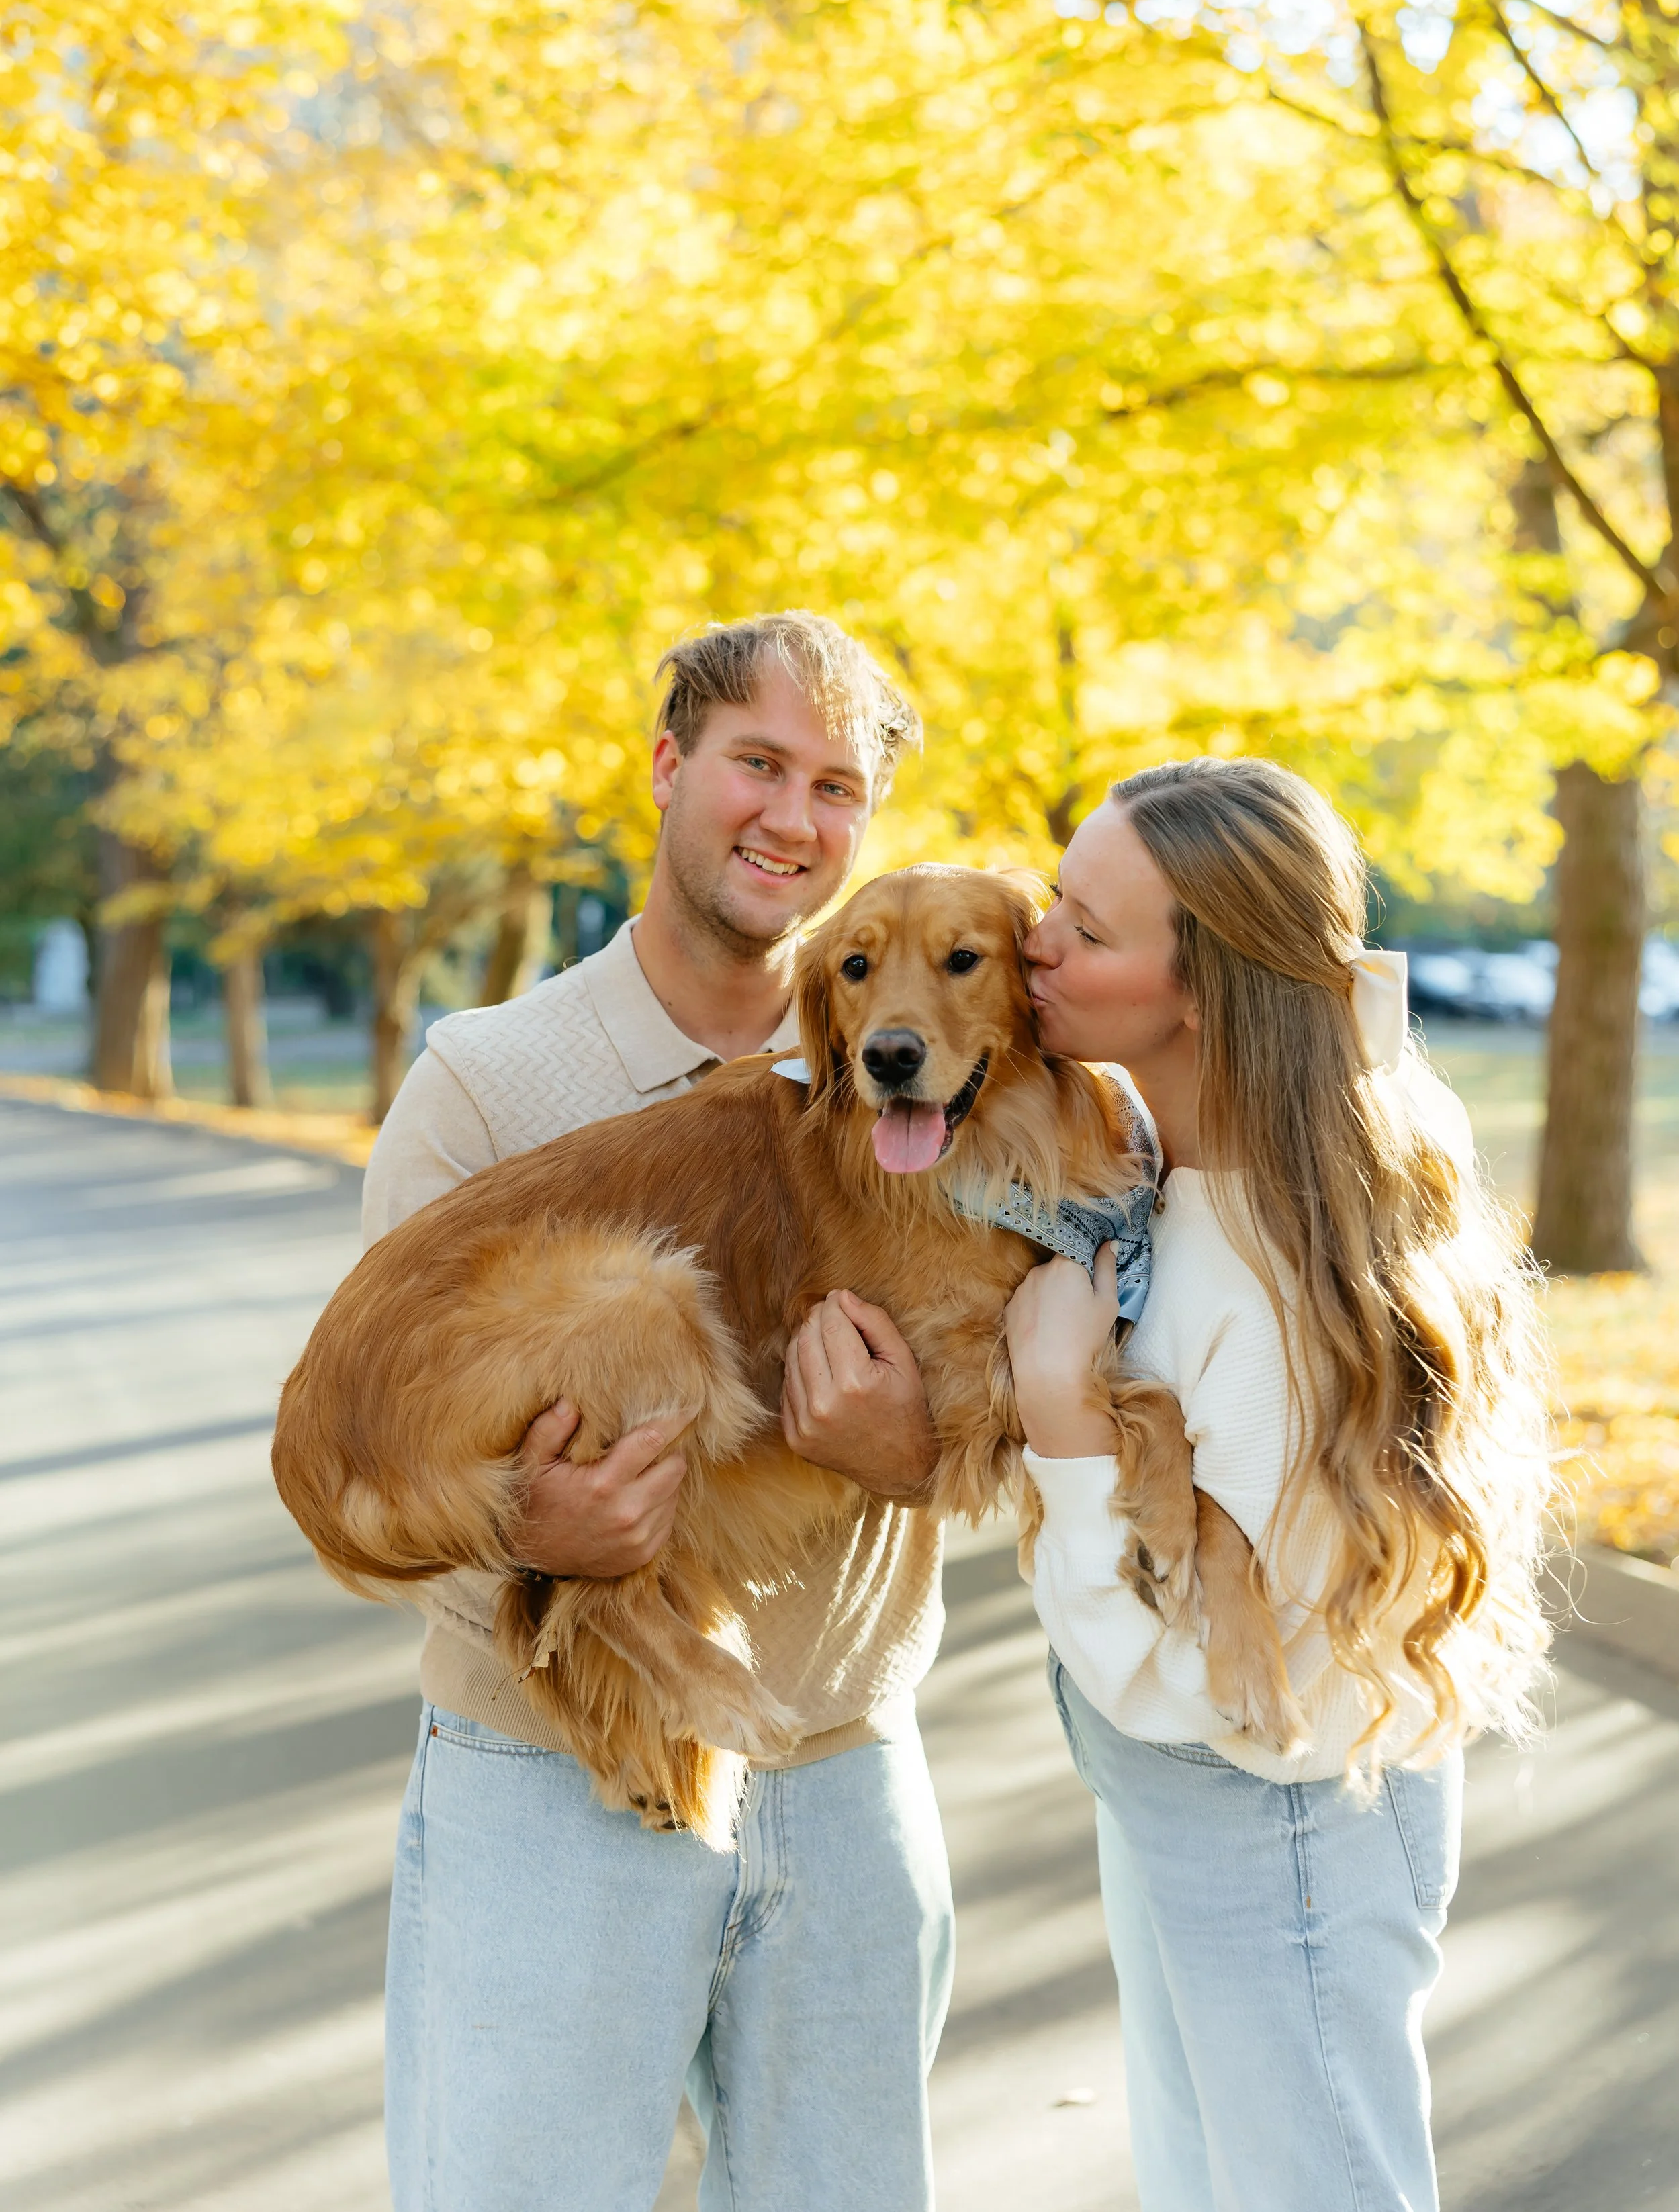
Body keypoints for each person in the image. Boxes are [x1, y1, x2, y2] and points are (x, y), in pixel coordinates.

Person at [364, 612, 954, 2212]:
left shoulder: (915, 1073)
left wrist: (924, 1459)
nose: (790, 817)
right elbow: (374, 1465)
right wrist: (522, 1532)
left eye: (834, 787)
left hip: (844, 1773)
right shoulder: (486, 1085)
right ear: (668, 764)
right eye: (756, 763)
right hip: (551, 1785)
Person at [980, 758, 1546, 2210]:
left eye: (1087, 933)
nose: (1035, 941)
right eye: (1055, 897)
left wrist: (1057, 1410)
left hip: (1267, 1814)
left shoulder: (1269, 1279)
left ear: (1205, 992)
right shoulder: (1207, 1162)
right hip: (1196, 1812)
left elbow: (1182, 1679)